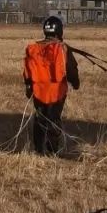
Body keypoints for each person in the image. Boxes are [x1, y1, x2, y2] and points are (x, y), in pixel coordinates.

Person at [23, 15, 80, 155]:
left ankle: (38, 149)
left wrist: (29, 86)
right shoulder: (62, 49)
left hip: (39, 92)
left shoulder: (34, 49)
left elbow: (27, 70)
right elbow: (71, 69)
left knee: (40, 118)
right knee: (53, 119)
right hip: (57, 93)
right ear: (60, 31)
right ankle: (52, 150)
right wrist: (75, 82)